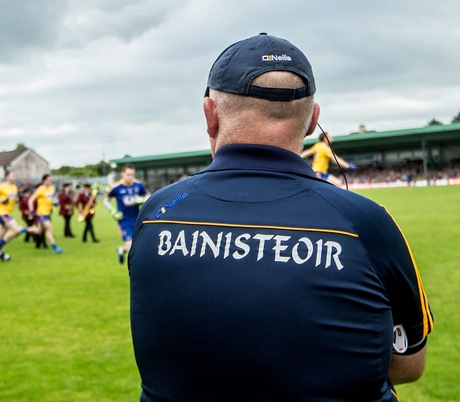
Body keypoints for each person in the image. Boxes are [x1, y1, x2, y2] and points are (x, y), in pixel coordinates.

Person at [129, 33, 433, 401]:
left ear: (209, 115)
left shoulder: (157, 212)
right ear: (312, 121)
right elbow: (408, 364)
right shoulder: (366, 222)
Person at [104, 164, 148, 265]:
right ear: (122, 174)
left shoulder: (138, 185)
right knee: (130, 244)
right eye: (128, 174)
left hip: (138, 218)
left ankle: (121, 250)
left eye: (132, 174)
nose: (130, 177)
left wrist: (139, 200)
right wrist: (113, 212)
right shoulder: (116, 187)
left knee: (137, 244)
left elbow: (147, 196)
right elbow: (106, 200)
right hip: (124, 220)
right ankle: (136, 268)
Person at [0, 171, 28, 264]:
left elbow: (13, 200)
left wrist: (16, 200)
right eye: (12, 175)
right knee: (16, 230)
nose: (14, 177)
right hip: (2, 213)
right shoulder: (2, 186)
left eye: (14, 175)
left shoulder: (14, 187)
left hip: (8, 213)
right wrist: (1, 201)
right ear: (7, 177)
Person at [28, 174, 64, 254]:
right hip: (42, 213)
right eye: (49, 180)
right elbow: (31, 200)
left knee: (38, 231)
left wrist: (52, 205)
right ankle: (55, 248)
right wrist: (32, 211)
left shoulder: (51, 189)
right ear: (44, 180)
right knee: (50, 229)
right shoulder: (40, 189)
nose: (50, 181)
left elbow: (50, 199)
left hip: (47, 212)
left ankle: (22, 230)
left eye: (51, 180)